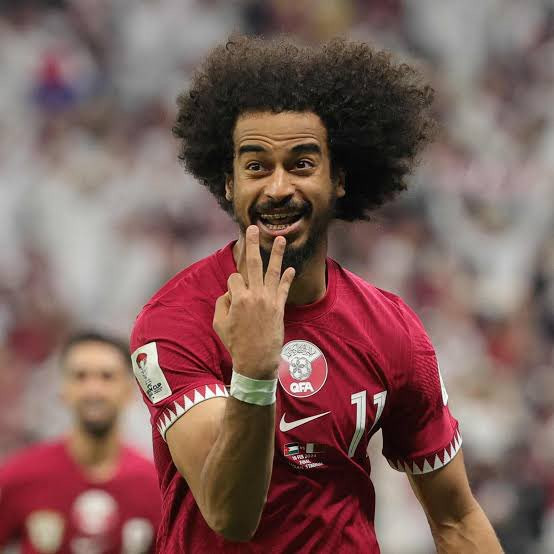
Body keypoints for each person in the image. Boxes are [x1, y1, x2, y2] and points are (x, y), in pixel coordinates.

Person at [130, 36, 503, 553]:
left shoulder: (391, 328)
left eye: (302, 164)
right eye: (256, 167)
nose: (278, 188)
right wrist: (254, 371)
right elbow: (230, 513)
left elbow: (457, 519)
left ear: (340, 179)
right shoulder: (175, 321)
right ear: (228, 184)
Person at [0, 331, 161, 553]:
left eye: (107, 377)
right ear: (62, 388)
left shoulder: (154, 485)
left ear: (129, 390)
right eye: (80, 376)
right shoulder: (21, 476)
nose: (93, 390)